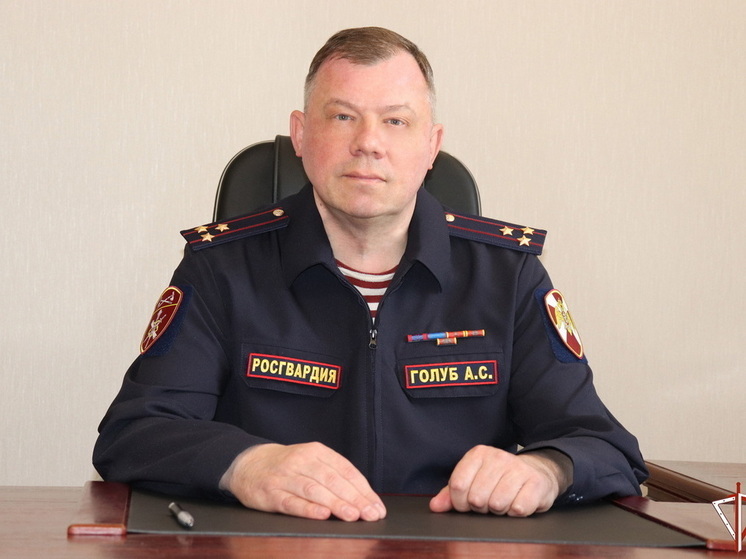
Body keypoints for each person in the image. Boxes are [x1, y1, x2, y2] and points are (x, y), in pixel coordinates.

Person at [93, 26, 647, 523]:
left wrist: (547, 471)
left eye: (396, 121)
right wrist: (245, 464)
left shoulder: (509, 277)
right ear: (301, 135)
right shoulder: (222, 269)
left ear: (431, 146)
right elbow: (134, 434)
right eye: (342, 116)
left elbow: (606, 448)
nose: (368, 143)